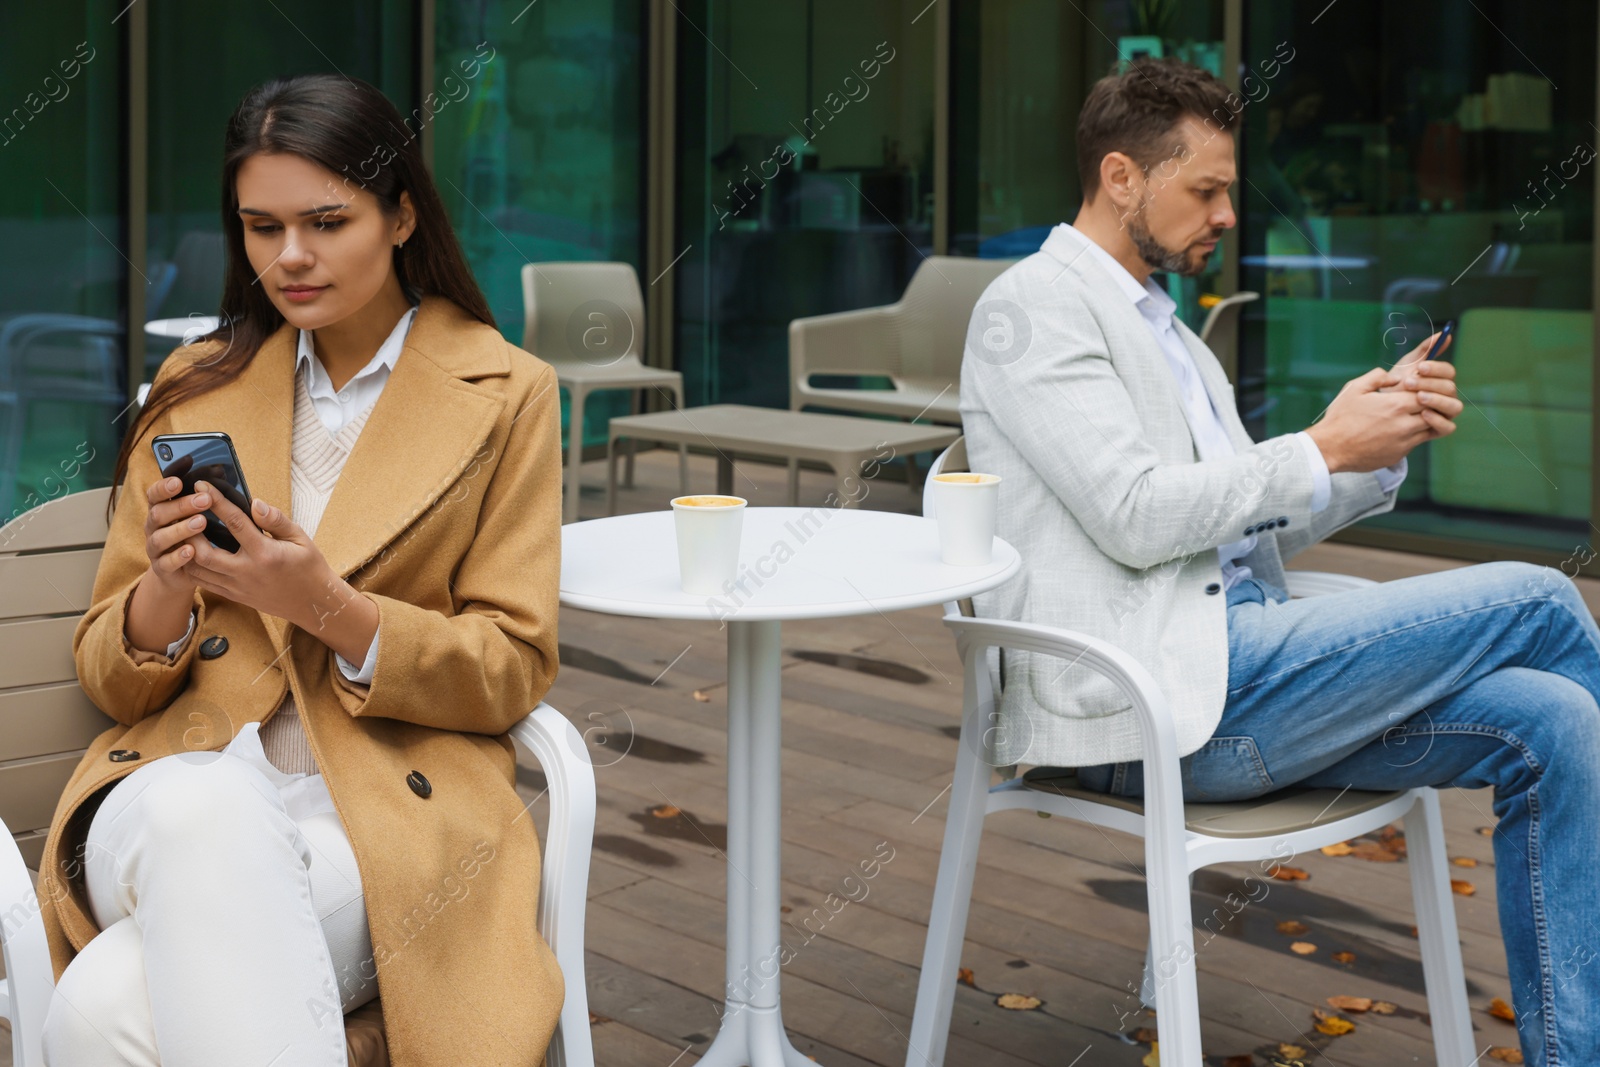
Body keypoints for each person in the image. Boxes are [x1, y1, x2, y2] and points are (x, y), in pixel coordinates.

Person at [961, 57, 1600, 1067]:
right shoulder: (1032, 307)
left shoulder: (1167, 332)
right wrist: (1317, 446)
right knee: (1538, 596)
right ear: (1122, 176)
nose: (1224, 214)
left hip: (1246, 676)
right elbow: (1133, 515)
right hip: (1152, 707)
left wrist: (1367, 455)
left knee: (1555, 718)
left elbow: (1232, 534)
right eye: (1205, 190)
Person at [37, 74, 565, 1066]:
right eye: (260, 225)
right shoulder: (199, 383)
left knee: (104, 1006)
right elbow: (108, 672)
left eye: (326, 221)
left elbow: (512, 667)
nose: (289, 257)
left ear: (402, 213)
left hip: (377, 812)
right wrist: (168, 586)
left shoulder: (507, 393)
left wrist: (323, 606)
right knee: (207, 801)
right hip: (162, 788)